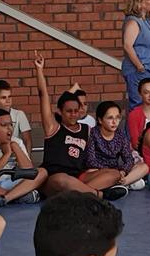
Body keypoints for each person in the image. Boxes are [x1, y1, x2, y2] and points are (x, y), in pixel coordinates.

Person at [32, 56, 115, 197]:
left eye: (76, 111)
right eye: (69, 111)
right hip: (54, 179)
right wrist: (39, 70)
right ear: (60, 111)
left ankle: (80, 191)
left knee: (113, 173)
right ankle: (98, 195)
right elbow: (43, 95)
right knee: (62, 180)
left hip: (77, 177)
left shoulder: (86, 129)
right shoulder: (53, 127)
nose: (73, 114)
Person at [0, 107, 47, 205]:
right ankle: (19, 196)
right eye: (4, 125)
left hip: (14, 183)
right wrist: (7, 154)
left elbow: (29, 172)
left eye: (11, 124)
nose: (9, 129)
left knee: (42, 172)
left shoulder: (17, 142)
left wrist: (15, 147)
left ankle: (6, 198)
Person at [83, 100, 148, 193]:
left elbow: (128, 159)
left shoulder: (120, 134)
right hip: (99, 171)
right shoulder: (93, 133)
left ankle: (122, 183)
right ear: (100, 120)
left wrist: (123, 171)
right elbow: (91, 161)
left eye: (117, 117)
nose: (115, 122)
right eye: (110, 118)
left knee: (144, 167)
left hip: (117, 171)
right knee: (91, 171)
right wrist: (111, 171)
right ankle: (121, 183)